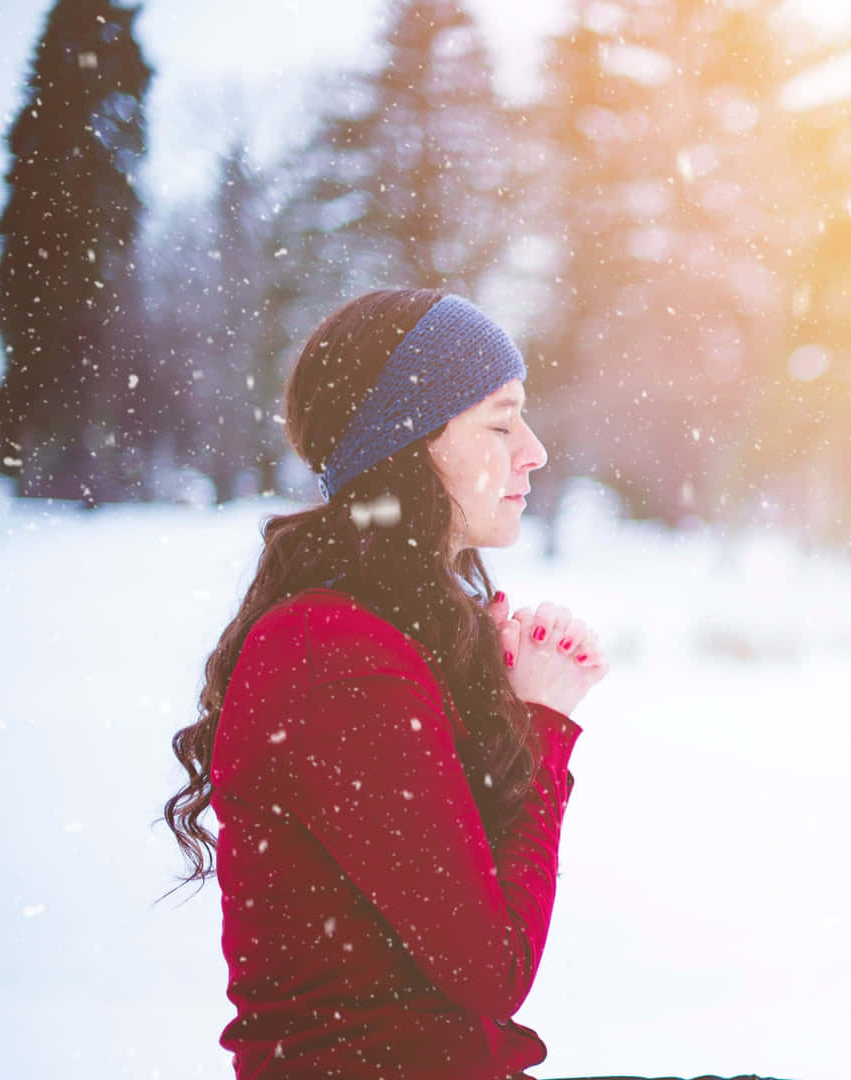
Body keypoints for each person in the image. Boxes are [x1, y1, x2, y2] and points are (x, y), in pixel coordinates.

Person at [161, 288, 611, 1079]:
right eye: (501, 423)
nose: (533, 450)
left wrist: (504, 709)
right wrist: (543, 726)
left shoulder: (378, 640)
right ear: (409, 444)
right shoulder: (337, 658)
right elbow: (491, 970)